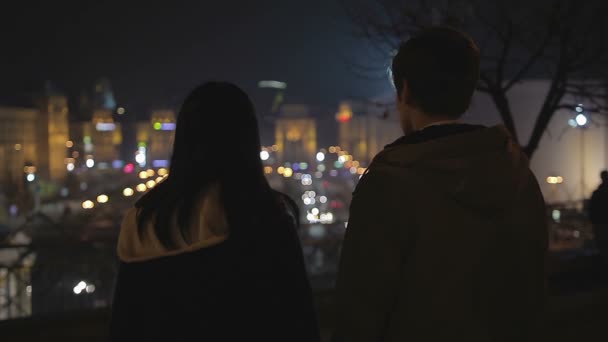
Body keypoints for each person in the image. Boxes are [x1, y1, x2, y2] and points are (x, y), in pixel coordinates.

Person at [333, 27, 548, 342]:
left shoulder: (390, 182)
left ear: (404, 91)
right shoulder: (516, 174)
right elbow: (534, 287)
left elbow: (361, 307)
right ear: (468, 91)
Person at [110, 82, 320, 341]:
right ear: (247, 140)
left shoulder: (141, 221)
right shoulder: (262, 217)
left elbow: (124, 326)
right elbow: (298, 323)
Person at [590, 170, 608, 262]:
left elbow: (592, 208)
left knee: (602, 244)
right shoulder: (598, 193)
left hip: (599, 223)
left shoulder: (597, 193)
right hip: (601, 222)